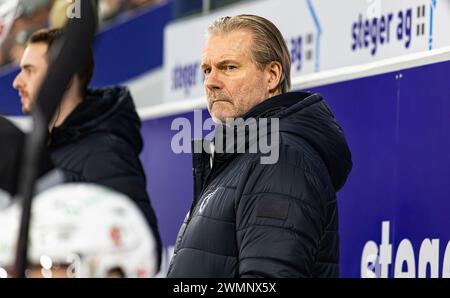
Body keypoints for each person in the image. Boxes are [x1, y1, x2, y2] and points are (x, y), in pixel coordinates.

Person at [167, 15, 352, 278]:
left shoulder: (280, 158)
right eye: (207, 70)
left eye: (228, 67)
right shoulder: (242, 157)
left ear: (272, 76)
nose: (211, 81)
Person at [11, 28, 162, 270]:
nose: (16, 82)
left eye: (29, 70)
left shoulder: (104, 154)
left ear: (65, 78)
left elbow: (139, 249)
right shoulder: (45, 151)